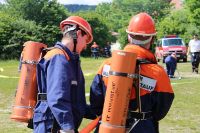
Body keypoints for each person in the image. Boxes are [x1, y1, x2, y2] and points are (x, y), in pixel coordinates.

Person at [90, 12, 174, 133]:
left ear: (129, 36)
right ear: (152, 38)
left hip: (108, 126)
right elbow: (161, 110)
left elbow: (96, 102)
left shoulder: (107, 65)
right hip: (142, 127)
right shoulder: (158, 73)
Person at [33, 16, 95, 133]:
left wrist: (100, 113)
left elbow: (77, 101)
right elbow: (57, 98)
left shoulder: (70, 60)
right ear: (78, 33)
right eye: (85, 40)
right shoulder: (58, 57)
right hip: (52, 125)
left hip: (59, 124)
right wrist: (67, 128)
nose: (86, 46)